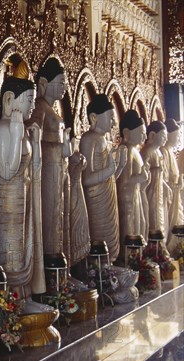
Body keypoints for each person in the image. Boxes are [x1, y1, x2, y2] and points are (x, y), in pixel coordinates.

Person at [0, 58, 53, 314]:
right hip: (7, 202)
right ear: (9, 101)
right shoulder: (4, 129)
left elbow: (34, 170)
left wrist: (35, 142)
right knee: (12, 250)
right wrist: (16, 135)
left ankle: (25, 295)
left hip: (23, 196)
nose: (31, 107)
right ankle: (12, 299)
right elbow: (7, 170)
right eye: (27, 100)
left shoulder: (22, 130)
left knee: (25, 245)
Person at [27, 58, 73, 260]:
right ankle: (49, 257)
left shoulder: (54, 109)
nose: (63, 87)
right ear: (44, 84)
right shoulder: (38, 108)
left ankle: (58, 256)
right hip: (46, 167)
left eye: (64, 83)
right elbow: (32, 136)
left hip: (58, 165)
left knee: (59, 210)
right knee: (49, 211)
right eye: (60, 82)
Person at [80, 95, 126, 262]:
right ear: (94, 118)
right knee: (99, 241)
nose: (114, 123)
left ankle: (108, 271)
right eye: (111, 117)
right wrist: (109, 170)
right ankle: (97, 271)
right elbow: (85, 179)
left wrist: (119, 167)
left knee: (111, 243)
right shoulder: (88, 139)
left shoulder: (105, 141)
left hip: (108, 200)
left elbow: (110, 179)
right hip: (95, 201)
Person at [116, 110, 149, 258]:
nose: (145, 137)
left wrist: (144, 180)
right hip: (127, 200)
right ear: (127, 132)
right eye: (141, 132)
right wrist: (140, 177)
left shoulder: (135, 151)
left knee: (140, 226)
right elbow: (123, 181)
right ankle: (127, 259)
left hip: (136, 197)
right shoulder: (125, 150)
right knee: (129, 229)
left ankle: (138, 259)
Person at [141, 121, 169, 237]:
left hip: (159, 192)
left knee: (161, 217)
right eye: (163, 136)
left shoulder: (159, 152)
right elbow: (143, 173)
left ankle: (161, 246)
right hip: (150, 191)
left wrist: (165, 186)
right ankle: (152, 249)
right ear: (152, 135)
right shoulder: (146, 151)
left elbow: (160, 175)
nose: (165, 139)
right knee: (153, 218)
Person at [161, 118, 183, 253]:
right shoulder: (163, 151)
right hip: (167, 195)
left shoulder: (171, 152)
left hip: (175, 194)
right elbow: (161, 178)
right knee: (168, 224)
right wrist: (174, 185)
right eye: (177, 134)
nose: (178, 137)